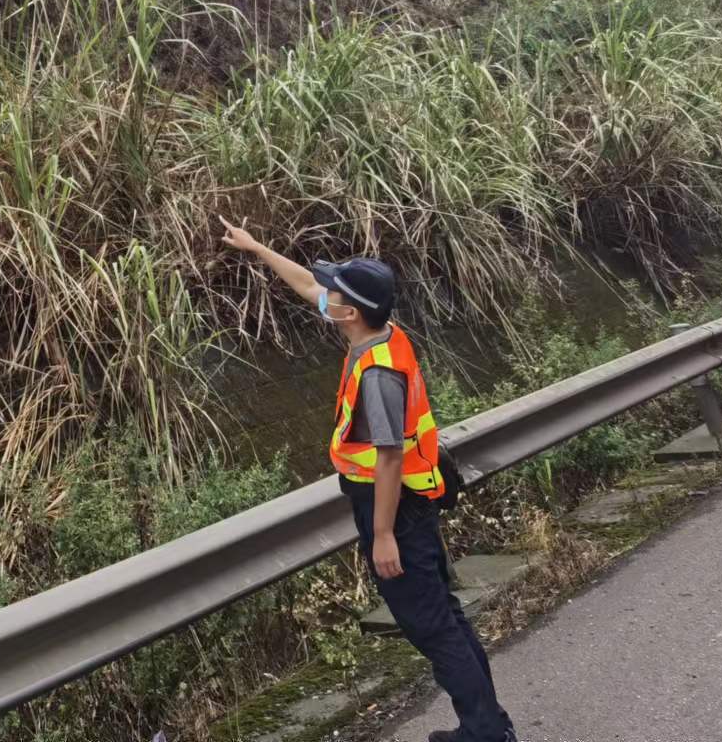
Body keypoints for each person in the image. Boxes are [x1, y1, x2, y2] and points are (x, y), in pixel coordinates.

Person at [221, 218, 517, 742]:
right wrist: (255, 247)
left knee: (432, 626)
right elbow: (308, 285)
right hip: (401, 504)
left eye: (335, 292)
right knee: (441, 617)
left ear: (350, 312)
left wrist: (382, 534)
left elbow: (388, 458)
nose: (325, 294)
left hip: (396, 510)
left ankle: (486, 733)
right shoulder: (378, 333)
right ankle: (485, 725)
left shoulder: (378, 374)